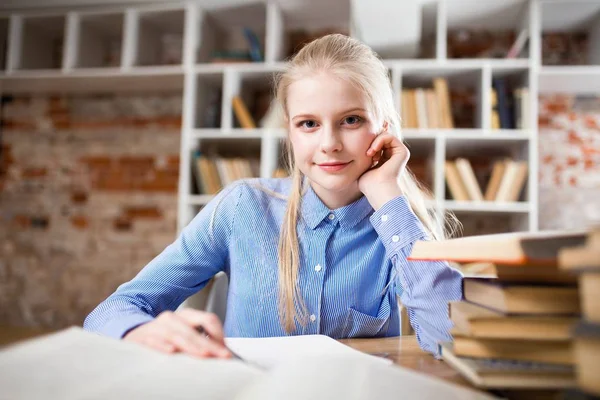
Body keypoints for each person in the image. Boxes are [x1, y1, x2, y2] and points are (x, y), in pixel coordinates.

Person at [84, 34, 463, 359]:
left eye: (351, 120)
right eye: (309, 124)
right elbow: (112, 311)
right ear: (291, 132)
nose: (329, 144)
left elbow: (450, 341)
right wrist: (140, 332)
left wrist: (386, 194)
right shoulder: (242, 207)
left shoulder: (397, 227)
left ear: (382, 128)